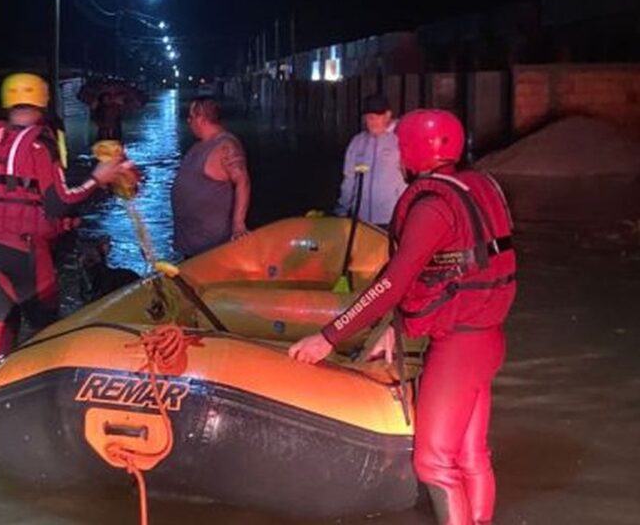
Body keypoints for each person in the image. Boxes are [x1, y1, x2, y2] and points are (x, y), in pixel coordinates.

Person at [289, 109, 516, 525]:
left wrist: (328, 336)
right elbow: (453, 271)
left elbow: (394, 281)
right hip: (487, 337)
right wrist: (401, 326)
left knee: (433, 463)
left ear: (411, 152)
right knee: (470, 454)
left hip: (459, 346)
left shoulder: (433, 205)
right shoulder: (481, 186)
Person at [0, 73, 127, 373]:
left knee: (3, 319)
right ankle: (44, 389)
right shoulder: (40, 143)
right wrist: (96, 178)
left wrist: (63, 225)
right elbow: (59, 201)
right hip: (24, 252)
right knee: (45, 324)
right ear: (42, 102)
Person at [171, 97, 251, 258]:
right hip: (191, 243)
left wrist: (238, 224)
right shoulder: (199, 145)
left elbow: (243, 181)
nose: (189, 121)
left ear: (201, 118)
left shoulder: (225, 146)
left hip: (211, 244)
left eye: (191, 117)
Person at [333, 94, 407, 228]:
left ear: (388, 115)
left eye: (376, 116)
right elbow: (349, 179)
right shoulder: (357, 143)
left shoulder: (400, 141)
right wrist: (342, 209)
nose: (372, 120)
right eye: (368, 116)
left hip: (391, 219)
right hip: (361, 219)